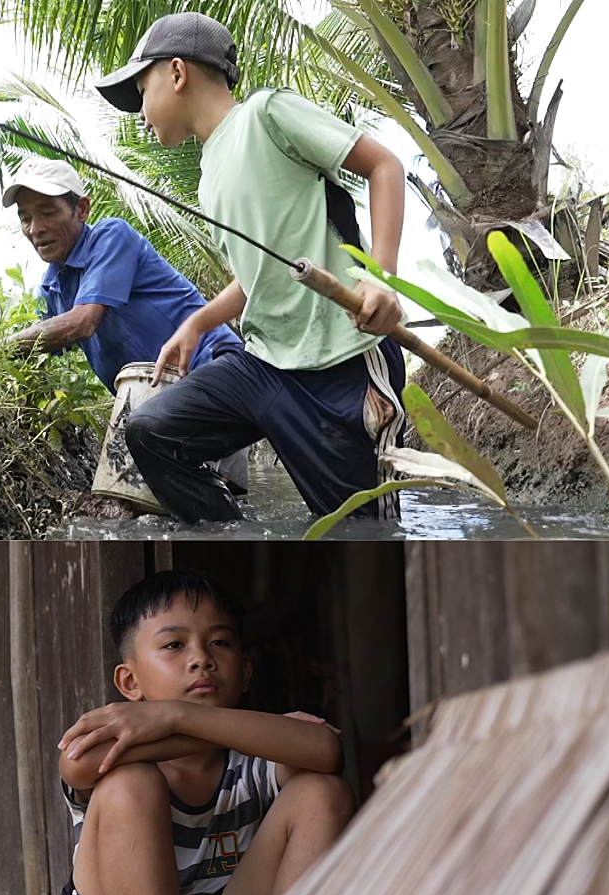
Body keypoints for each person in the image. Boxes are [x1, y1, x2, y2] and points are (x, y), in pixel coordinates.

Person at [93, 12, 410, 524]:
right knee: (150, 432)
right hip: (264, 366)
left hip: (344, 362)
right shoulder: (208, 179)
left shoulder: (268, 114)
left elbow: (384, 165)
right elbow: (256, 277)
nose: (141, 113)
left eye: (142, 90)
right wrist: (197, 323)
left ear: (177, 73)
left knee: (362, 535)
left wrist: (381, 279)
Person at [38, 569, 353, 895]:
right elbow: (79, 762)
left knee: (321, 792)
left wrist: (178, 715)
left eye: (219, 643)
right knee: (129, 785)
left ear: (244, 672)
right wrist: (192, 724)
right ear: (129, 682)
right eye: (173, 646)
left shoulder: (257, 762)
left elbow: (327, 752)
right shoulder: (119, 749)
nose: (201, 659)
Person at [0, 156, 249, 495]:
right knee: (172, 501)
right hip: (153, 402)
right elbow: (39, 353)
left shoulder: (110, 237)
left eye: (47, 213)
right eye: (25, 217)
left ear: (81, 209)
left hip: (213, 367)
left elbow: (82, 323)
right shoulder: (52, 286)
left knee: (215, 498)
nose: (35, 228)